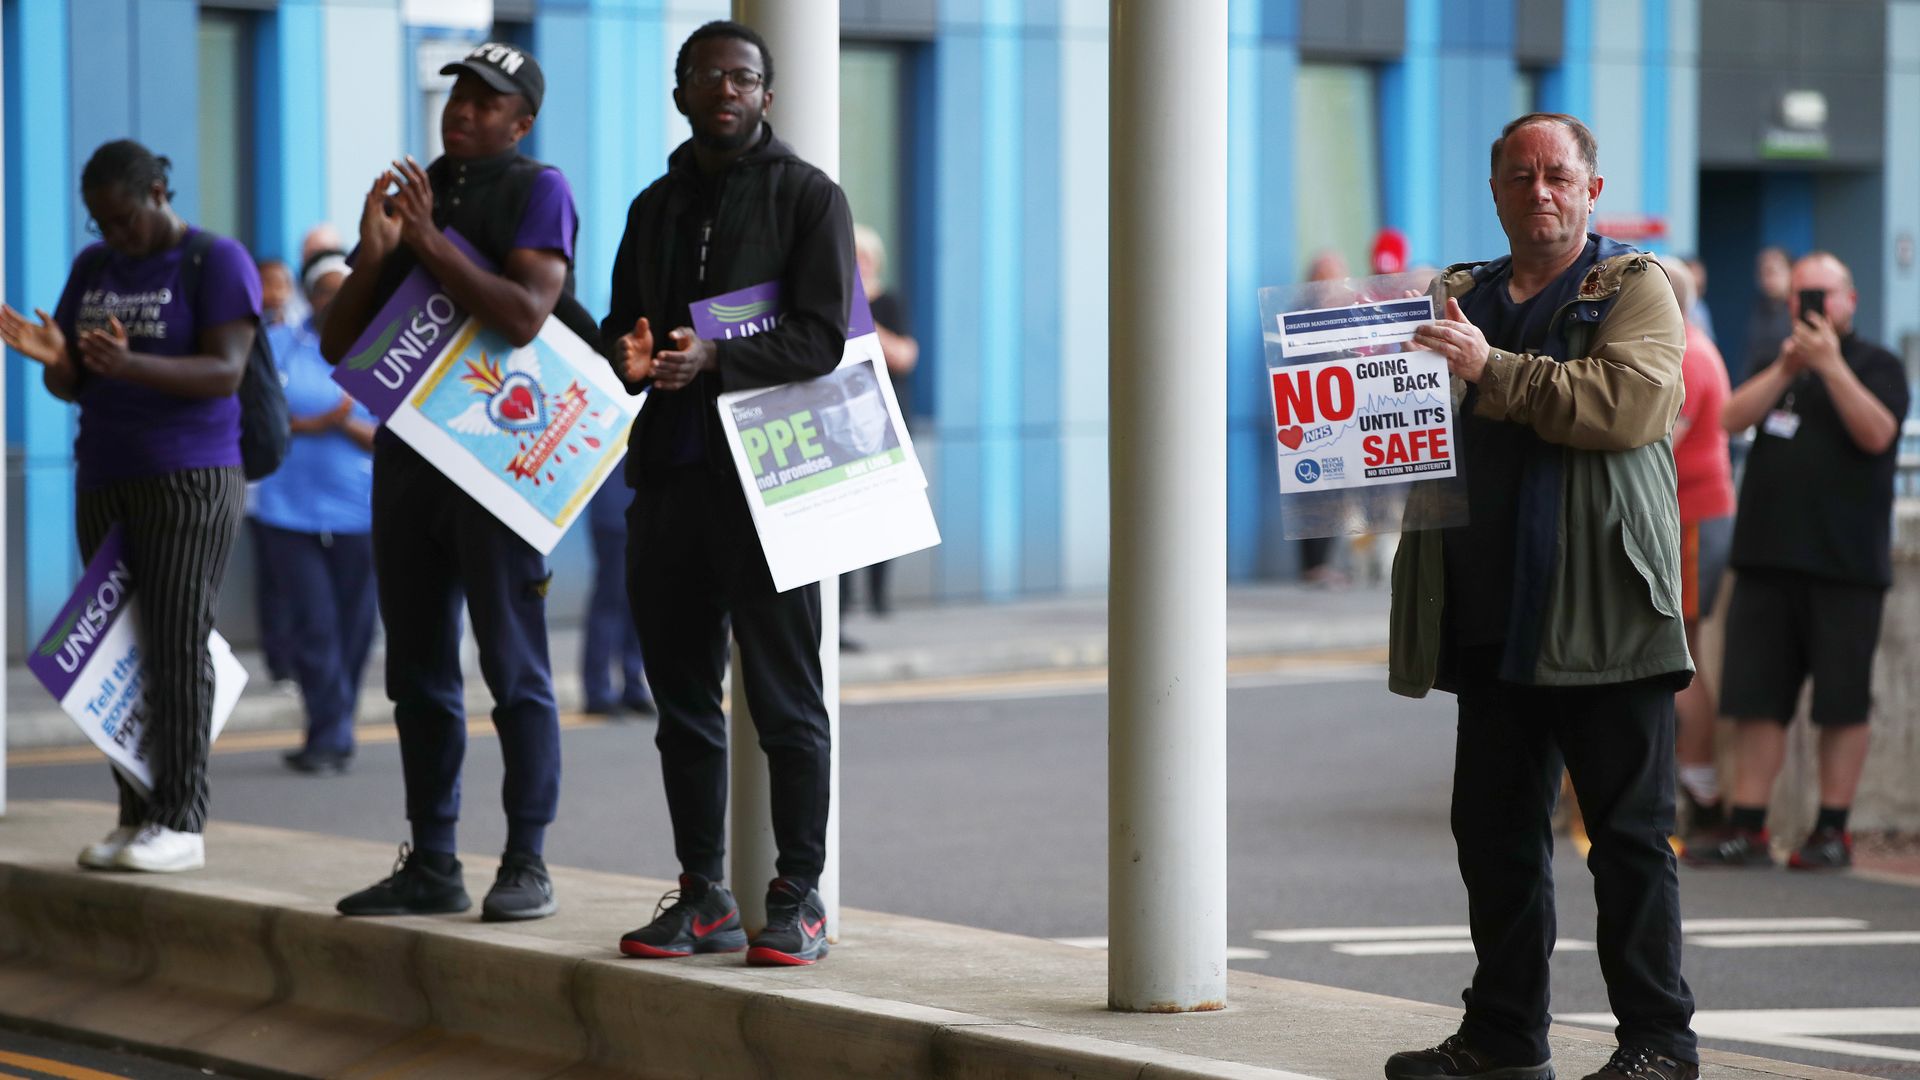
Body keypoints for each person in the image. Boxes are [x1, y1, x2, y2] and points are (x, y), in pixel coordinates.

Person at [1386, 113, 1698, 1080]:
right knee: (1495, 840)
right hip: (1490, 616)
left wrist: (1490, 370)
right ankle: (1504, 1038)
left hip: (1608, 613)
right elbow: (1396, 408)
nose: (1540, 191)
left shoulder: (1637, 287)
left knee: (1631, 844)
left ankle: (1657, 1045)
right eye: (1519, 176)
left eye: (1558, 173)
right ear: (1495, 192)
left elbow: (1628, 405)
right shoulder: (1458, 292)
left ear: (1591, 189)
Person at [601, 19, 853, 967]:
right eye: (709, 75)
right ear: (681, 93)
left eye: (743, 77)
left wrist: (717, 357)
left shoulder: (808, 198)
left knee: (789, 700)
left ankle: (797, 896)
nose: (727, 89)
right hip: (669, 478)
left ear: (767, 95)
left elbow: (821, 338)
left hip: (771, 484)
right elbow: (631, 332)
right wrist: (627, 358)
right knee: (683, 704)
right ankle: (703, 893)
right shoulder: (651, 207)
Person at [321, 41, 587, 922]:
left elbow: (520, 316)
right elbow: (338, 345)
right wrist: (375, 250)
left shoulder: (536, 189)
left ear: (523, 119)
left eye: (487, 99)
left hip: (499, 469)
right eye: (458, 94)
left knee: (514, 670)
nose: (464, 109)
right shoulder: (423, 187)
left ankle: (527, 860)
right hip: (409, 462)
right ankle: (434, 859)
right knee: (418, 673)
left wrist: (428, 240)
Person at [1, 139, 260, 873]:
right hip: (105, 473)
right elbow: (77, 383)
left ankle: (182, 818)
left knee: (176, 643)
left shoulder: (214, 261)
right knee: (114, 649)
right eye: (99, 224)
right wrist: (58, 362)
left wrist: (130, 362)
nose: (113, 237)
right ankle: (135, 813)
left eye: (122, 220)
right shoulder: (94, 269)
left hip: (189, 475)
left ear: (157, 191)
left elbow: (225, 372)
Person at [1688, 252, 1908, 871]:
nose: (1811, 308)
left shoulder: (1878, 366)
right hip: (1765, 562)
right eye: (1800, 297)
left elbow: (1877, 434)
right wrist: (1788, 368)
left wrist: (1831, 366)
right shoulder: (1778, 363)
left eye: (1822, 295)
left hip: (1845, 569)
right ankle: (1748, 827)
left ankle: (1831, 831)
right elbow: (1731, 419)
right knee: (1757, 699)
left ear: (1850, 301)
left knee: (1841, 703)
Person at [251, 250, 378, 776]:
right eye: (323, 289)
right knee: (314, 623)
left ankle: (333, 726)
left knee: (356, 627)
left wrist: (344, 427)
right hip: (288, 510)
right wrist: (314, 423)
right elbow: (260, 417)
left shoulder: (378, 349)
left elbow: (396, 435)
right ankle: (329, 731)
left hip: (362, 512)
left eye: (343, 289)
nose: (333, 299)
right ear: (309, 294)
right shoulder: (281, 344)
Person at [1656, 256, 1736, 845]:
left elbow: (1655, 440)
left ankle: (1703, 785)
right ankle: (1695, 779)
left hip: (1694, 519)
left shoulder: (1685, 356)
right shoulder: (1697, 346)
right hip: (1693, 517)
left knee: (1683, 649)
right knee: (1680, 645)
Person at [849, 223, 917, 615]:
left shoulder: (888, 303)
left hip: (885, 418)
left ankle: (878, 599)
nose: (859, 265)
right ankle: (841, 608)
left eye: (865, 257)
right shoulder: (831, 302)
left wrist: (860, 318)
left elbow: (906, 355)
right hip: (847, 420)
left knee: (884, 511)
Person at [581, 480, 653, 718]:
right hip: (615, 512)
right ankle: (598, 689)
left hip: (642, 507)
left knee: (639, 601)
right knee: (611, 601)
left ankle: (633, 685)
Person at [1739, 246, 1792, 384]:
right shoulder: (1758, 310)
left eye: (1773, 272)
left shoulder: (1797, 311)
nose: (1768, 280)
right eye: (1763, 274)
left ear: (1790, 272)